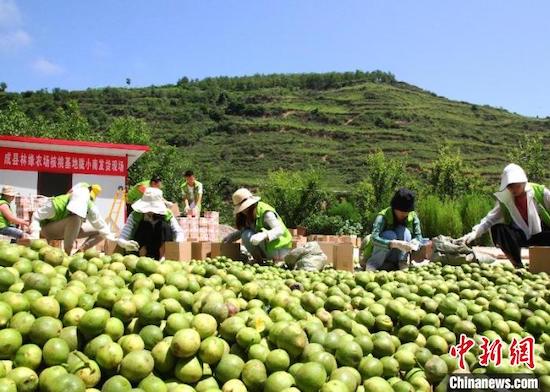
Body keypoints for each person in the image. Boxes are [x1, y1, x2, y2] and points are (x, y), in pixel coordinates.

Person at [460, 163, 550, 268]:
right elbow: (489, 219)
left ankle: (544, 263)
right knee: (498, 228)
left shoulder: (541, 193)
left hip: (543, 235)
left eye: (517, 186)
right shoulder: (506, 199)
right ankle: (518, 265)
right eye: (510, 187)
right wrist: (474, 233)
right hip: (522, 236)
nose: (514, 190)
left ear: (524, 182)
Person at [30, 183, 116, 255]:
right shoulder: (58, 204)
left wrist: (117, 241)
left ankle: (79, 253)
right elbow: (36, 216)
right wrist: (35, 239)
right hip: (48, 230)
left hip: (71, 230)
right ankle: (67, 254)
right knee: (75, 219)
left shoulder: (89, 206)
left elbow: (102, 226)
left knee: (100, 231)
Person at [223, 188, 292, 263]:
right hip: (267, 248)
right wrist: (231, 237)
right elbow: (245, 229)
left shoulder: (266, 212)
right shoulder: (249, 215)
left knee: (247, 235)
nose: (243, 211)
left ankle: (270, 260)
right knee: (246, 233)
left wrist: (264, 235)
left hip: (279, 249)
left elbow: (279, 230)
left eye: (244, 208)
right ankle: (260, 261)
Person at [363, 188, 425, 271]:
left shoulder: (413, 216)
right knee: (389, 235)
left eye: (406, 211)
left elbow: (419, 237)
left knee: (405, 232)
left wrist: (415, 243)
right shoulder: (383, 216)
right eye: (400, 211)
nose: (403, 214)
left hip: (395, 258)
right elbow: (374, 238)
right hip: (378, 255)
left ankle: (402, 262)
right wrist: (393, 243)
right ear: (394, 208)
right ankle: (372, 265)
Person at [117, 187, 184, 260]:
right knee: (146, 225)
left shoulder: (167, 215)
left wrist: (177, 243)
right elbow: (122, 237)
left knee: (163, 225)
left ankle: (163, 257)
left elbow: (178, 232)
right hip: (141, 250)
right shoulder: (135, 216)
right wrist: (125, 244)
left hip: (160, 248)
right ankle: (142, 258)